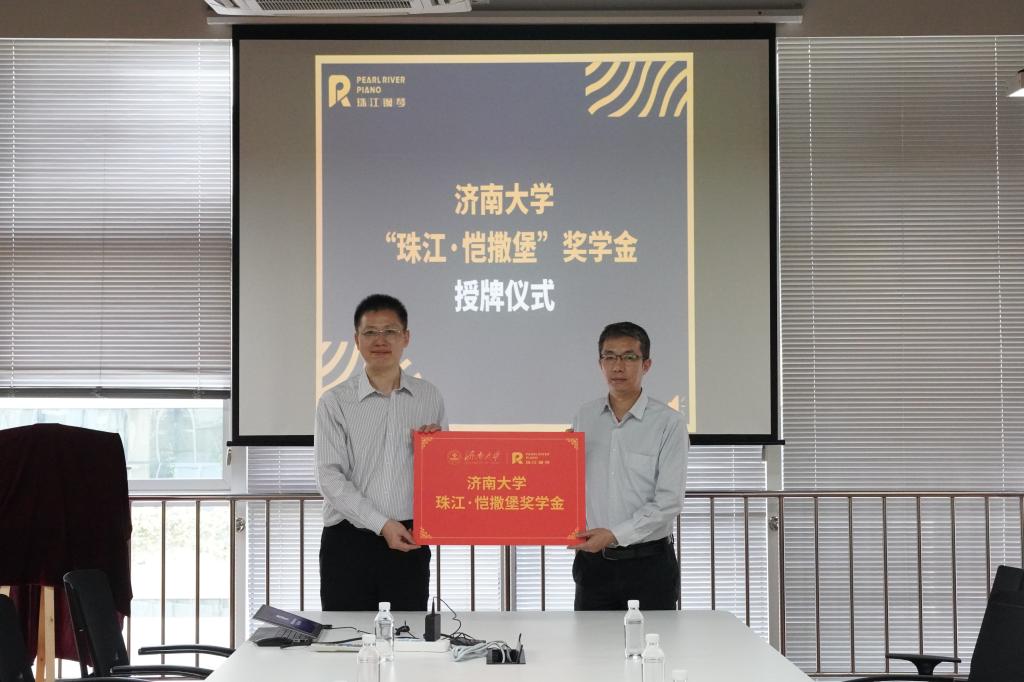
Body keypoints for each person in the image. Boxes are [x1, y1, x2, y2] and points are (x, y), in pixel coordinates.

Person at [316, 294, 446, 611]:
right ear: (356, 340)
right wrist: (382, 524)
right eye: (370, 332)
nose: (380, 340)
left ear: (406, 337)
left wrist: (438, 451)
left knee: (407, 634)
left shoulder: (429, 396)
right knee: (346, 635)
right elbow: (330, 478)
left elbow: (442, 474)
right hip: (348, 541)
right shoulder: (335, 401)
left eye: (390, 331)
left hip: (409, 539)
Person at [569, 321, 688, 610]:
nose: (618, 366)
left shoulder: (668, 423)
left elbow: (669, 501)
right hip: (593, 565)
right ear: (600, 364)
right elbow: (570, 482)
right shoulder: (585, 416)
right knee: (590, 640)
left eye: (629, 357)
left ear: (646, 364)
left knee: (653, 640)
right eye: (609, 357)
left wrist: (614, 535)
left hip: (649, 565)